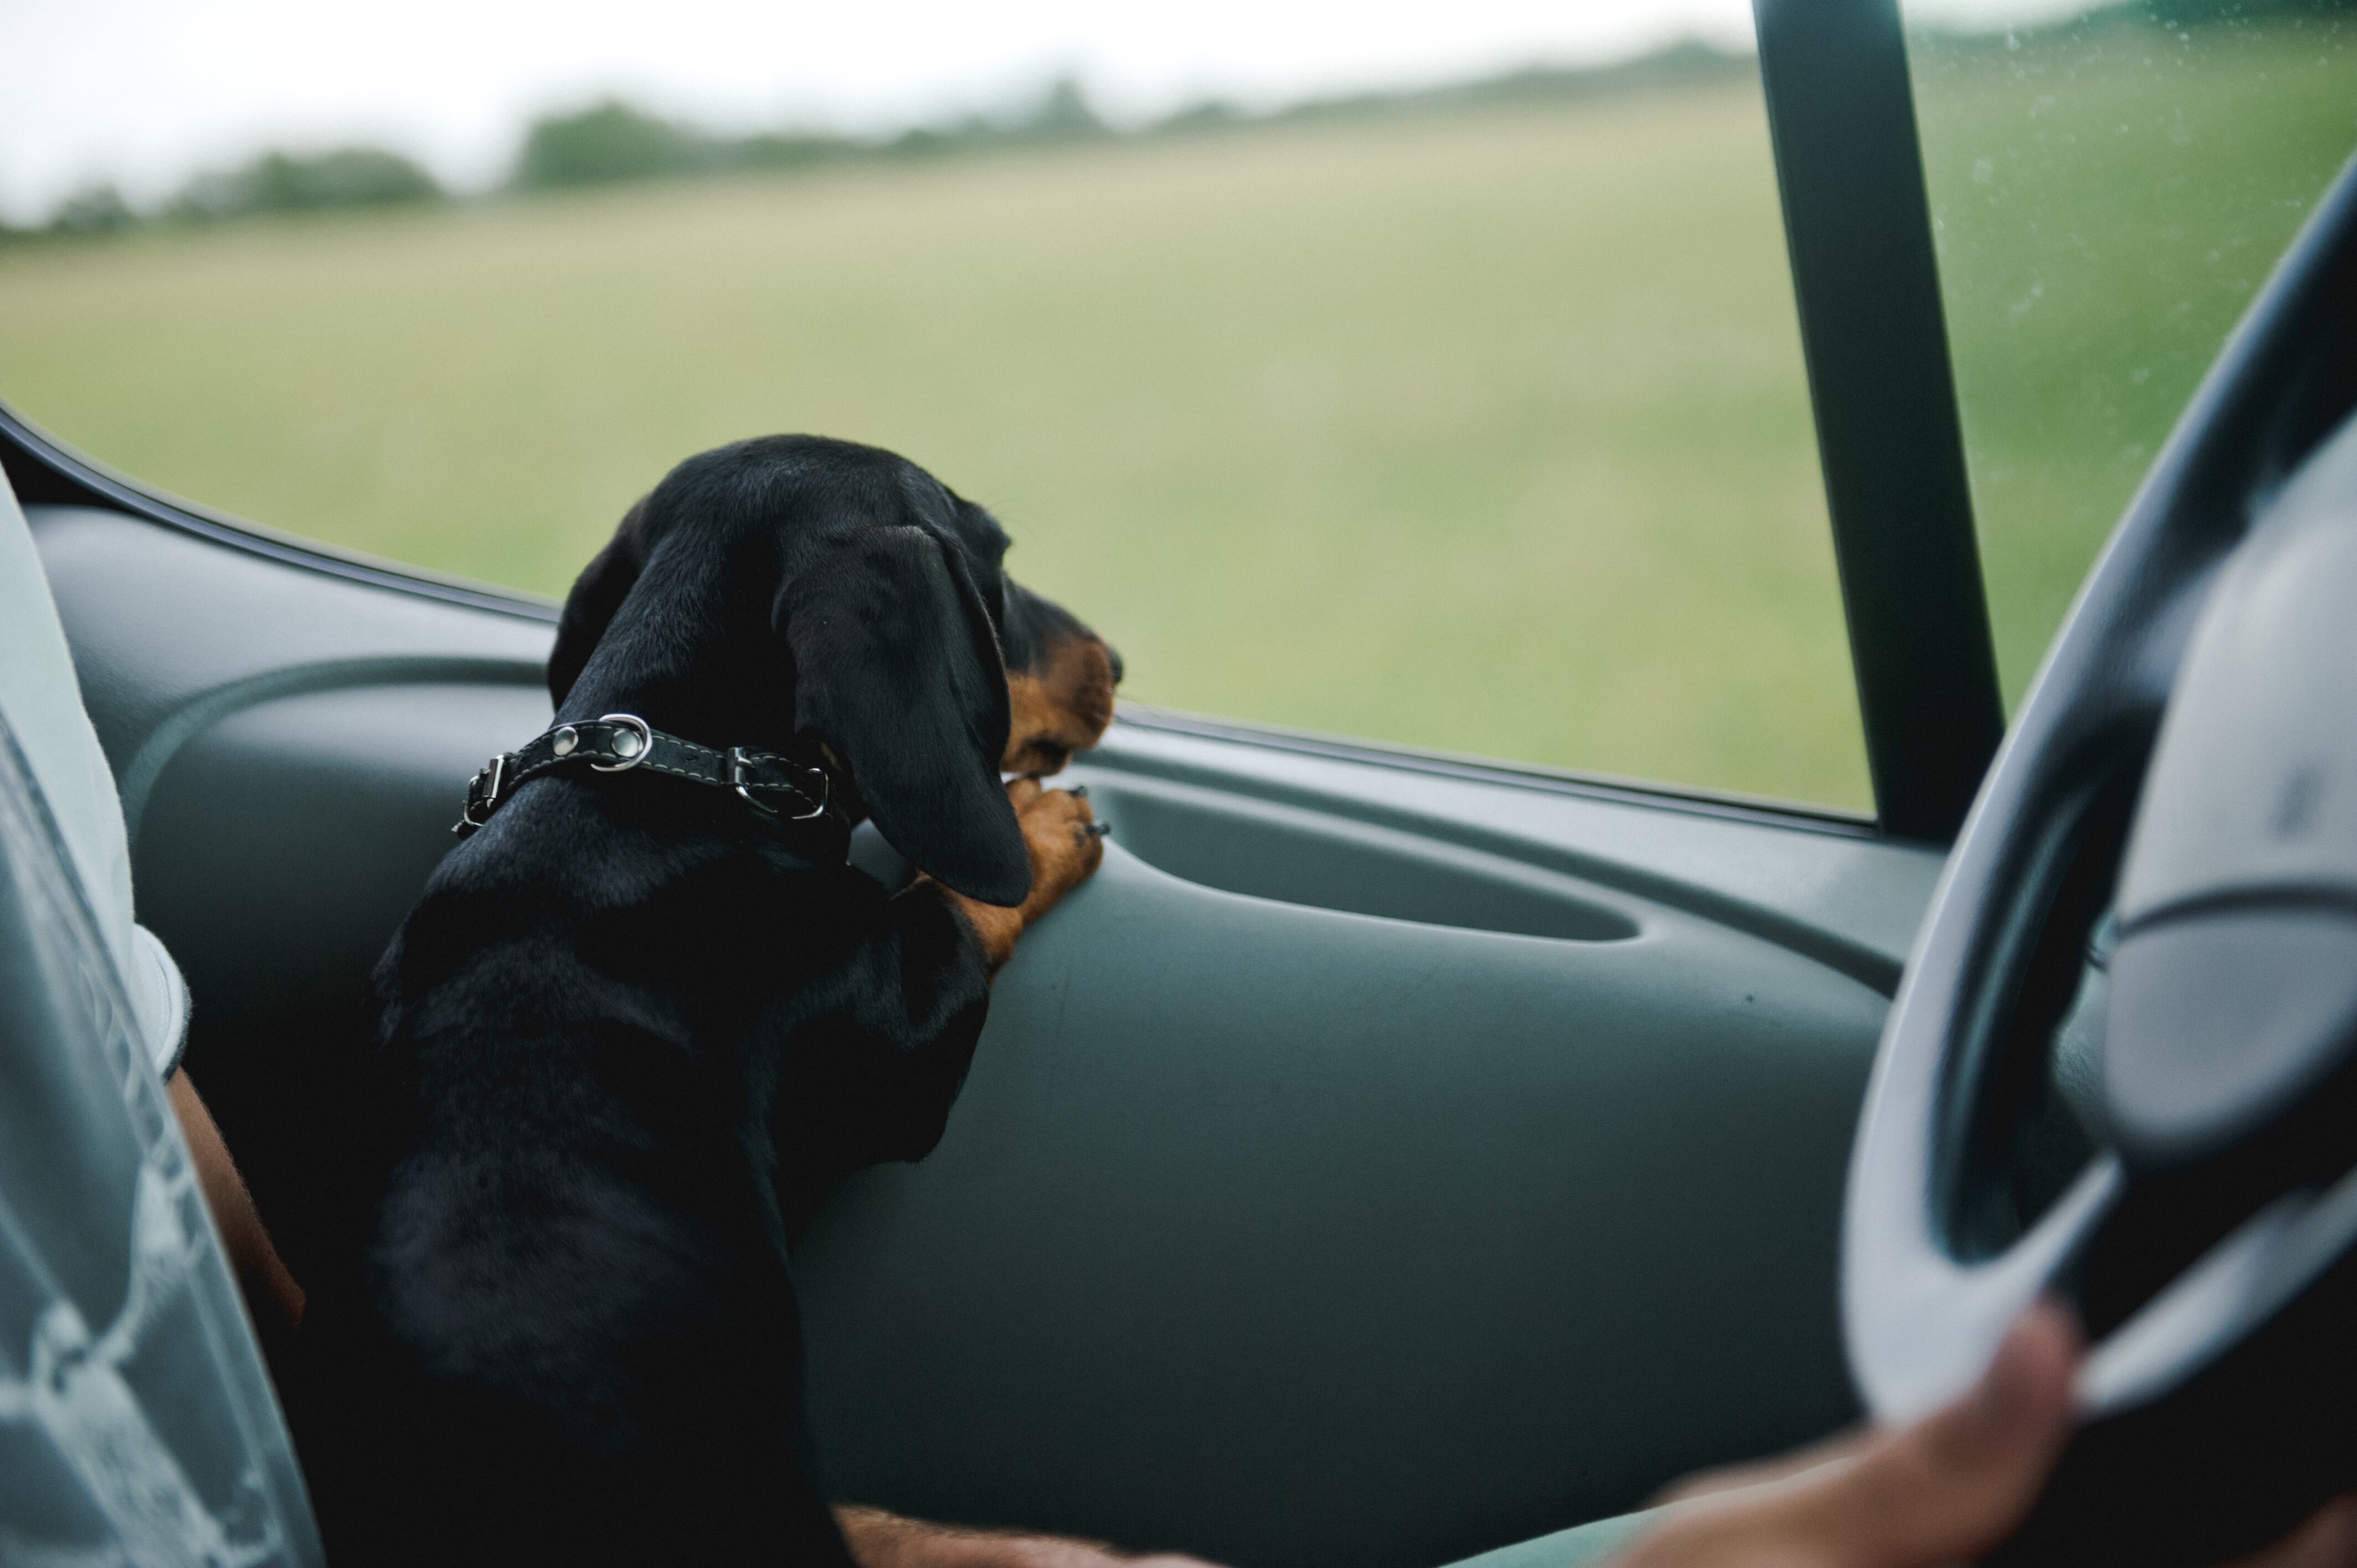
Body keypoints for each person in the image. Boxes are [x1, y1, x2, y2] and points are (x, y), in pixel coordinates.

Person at [3, 467, 2349, 1568]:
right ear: (878, 651)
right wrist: (987, 881)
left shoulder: (487, 890)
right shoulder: (804, 917)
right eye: (991, 594)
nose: (1057, 651)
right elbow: (897, 1046)